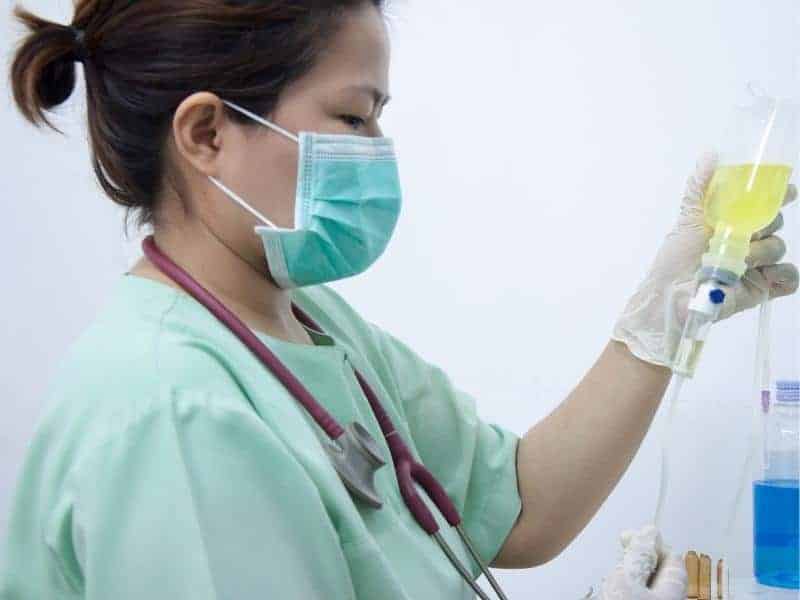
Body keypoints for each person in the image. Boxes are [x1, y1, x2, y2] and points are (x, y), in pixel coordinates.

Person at [2, 1, 797, 599]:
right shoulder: (172, 414)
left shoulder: (304, 320)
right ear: (207, 134)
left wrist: (661, 311)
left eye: (379, 120)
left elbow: (517, 509)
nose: (378, 154)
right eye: (352, 116)